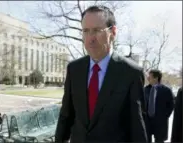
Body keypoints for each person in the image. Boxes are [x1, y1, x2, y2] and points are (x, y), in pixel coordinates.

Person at [55, 5, 147, 143]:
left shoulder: (131, 73)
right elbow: (66, 116)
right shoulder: (74, 69)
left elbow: (137, 127)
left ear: (113, 32)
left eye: (97, 31)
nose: (90, 38)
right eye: (86, 31)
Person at [144, 69, 175, 143]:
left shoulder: (166, 90)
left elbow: (171, 105)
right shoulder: (145, 90)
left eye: (150, 76)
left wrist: (164, 116)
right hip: (147, 122)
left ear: (156, 78)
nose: (148, 78)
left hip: (160, 123)